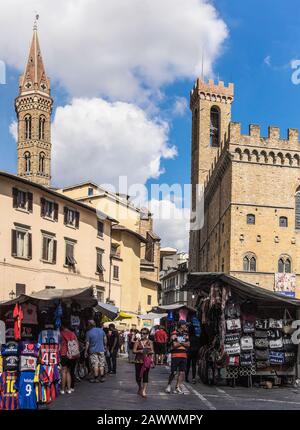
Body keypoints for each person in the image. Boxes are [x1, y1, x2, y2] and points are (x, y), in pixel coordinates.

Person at [165, 321, 190, 394]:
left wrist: (180, 342)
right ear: (181, 325)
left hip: (184, 355)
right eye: (185, 325)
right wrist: (183, 343)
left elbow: (188, 344)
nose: (186, 326)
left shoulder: (186, 334)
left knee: (182, 372)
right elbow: (175, 345)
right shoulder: (174, 333)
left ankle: (177, 387)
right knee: (174, 372)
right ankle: (169, 385)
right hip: (175, 355)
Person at [133, 327, 154, 398]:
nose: (142, 334)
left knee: (145, 376)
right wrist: (140, 351)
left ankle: (144, 390)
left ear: (147, 334)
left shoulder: (150, 342)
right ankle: (140, 387)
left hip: (146, 361)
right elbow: (134, 351)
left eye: (144, 333)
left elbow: (152, 351)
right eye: (141, 333)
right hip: (138, 361)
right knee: (138, 377)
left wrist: (147, 351)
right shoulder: (137, 341)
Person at [60, 321, 80, 394]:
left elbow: (59, 344)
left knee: (63, 371)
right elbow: (77, 343)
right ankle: (69, 389)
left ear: (62, 326)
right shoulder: (72, 333)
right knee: (69, 371)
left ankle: (62, 389)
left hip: (64, 354)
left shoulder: (61, 333)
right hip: (72, 355)